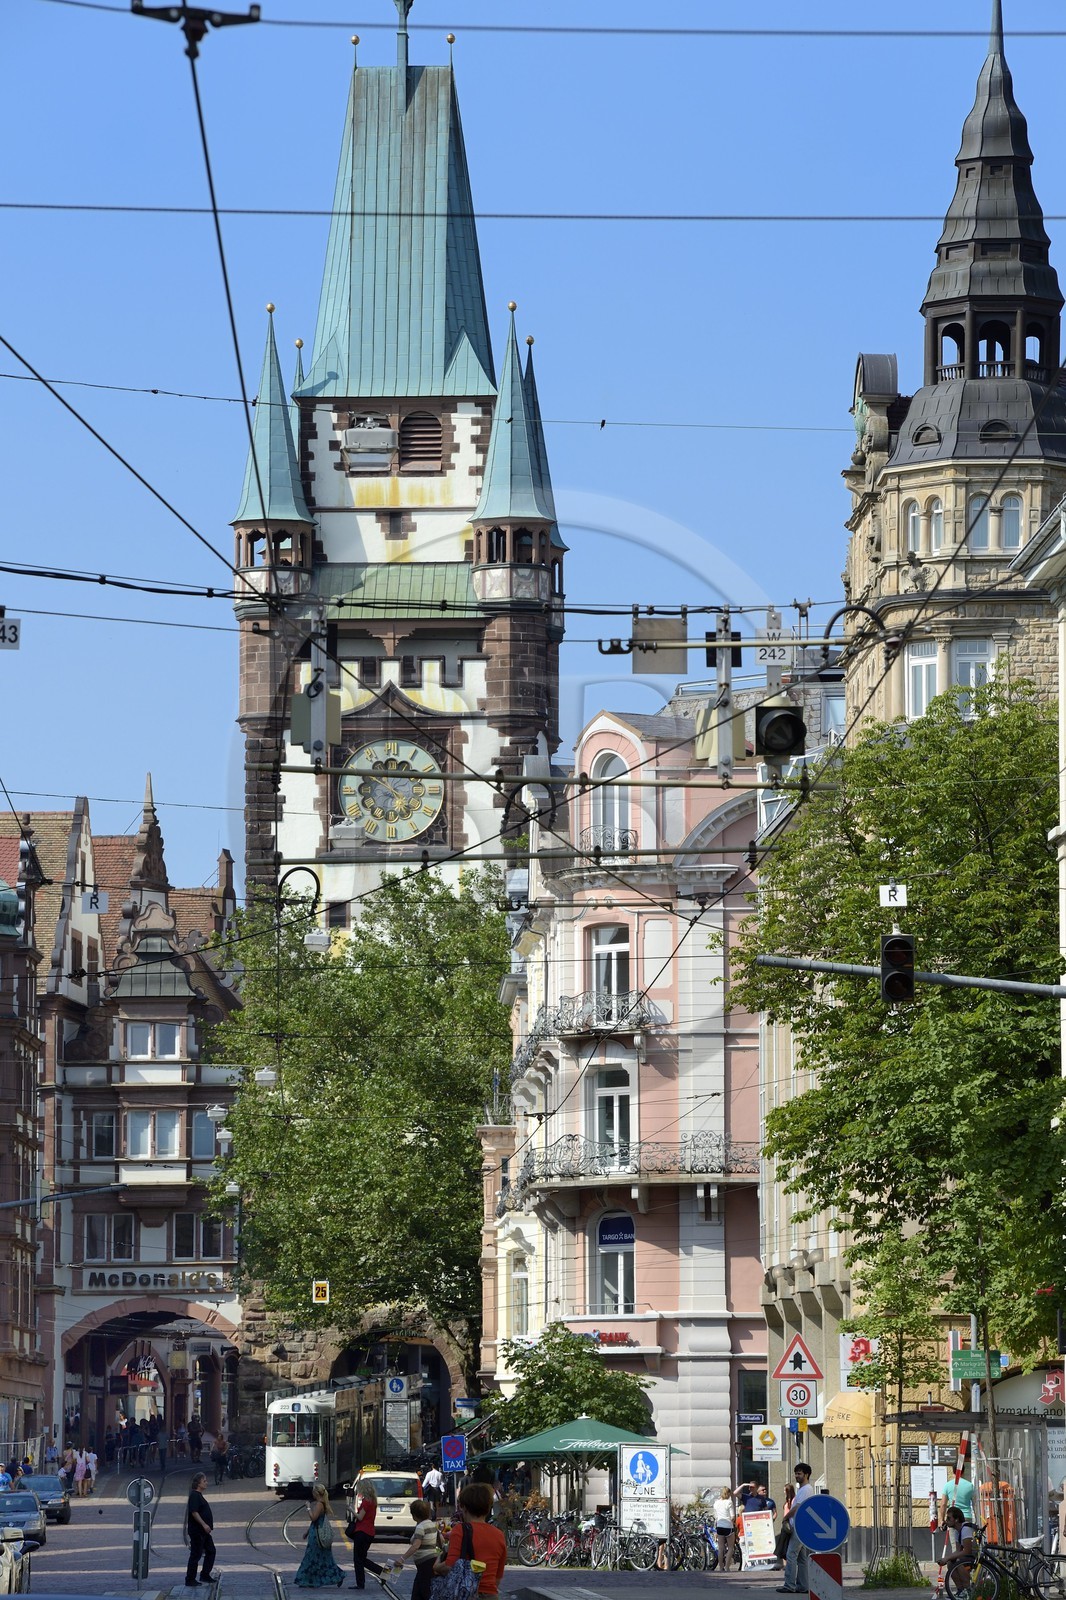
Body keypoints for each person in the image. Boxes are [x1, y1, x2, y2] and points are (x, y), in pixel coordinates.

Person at [433, 1482, 507, 1598]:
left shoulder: (460, 1530)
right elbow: (497, 1577)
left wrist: (436, 1566)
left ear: (464, 1507)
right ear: (488, 1507)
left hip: (466, 1594)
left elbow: (450, 1566)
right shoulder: (499, 1535)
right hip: (490, 1594)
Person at [294, 1483, 346, 1588]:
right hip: (317, 1532)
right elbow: (316, 1521)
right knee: (324, 1559)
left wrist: (308, 1508)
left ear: (316, 1493)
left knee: (312, 1557)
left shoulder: (319, 1504)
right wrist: (307, 1532)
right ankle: (335, 1576)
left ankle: (307, 1579)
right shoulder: (322, 1503)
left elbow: (313, 1518)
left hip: (317, 1536)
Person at [779, 1462, 815, 1594]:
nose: (797, 1476)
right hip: (800, 1526)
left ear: (806, 1475)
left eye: (799, 1473)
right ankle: (803, 1586)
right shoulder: (803, 1489)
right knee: (801, 1558)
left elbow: (797, 1507)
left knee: (791, 1555)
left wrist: (786, 1517)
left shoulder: (806, 1490)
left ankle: (789, 1585)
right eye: (796, 1473)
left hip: (800, 1527)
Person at [393, 1499, 439, 1600]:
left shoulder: (420, 1527)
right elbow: (441, 1540)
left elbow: (416, 1545)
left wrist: (402, 1558)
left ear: (414, 1515)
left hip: (425, 1563)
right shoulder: (432, 1524)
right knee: (420, 1590)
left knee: (423, 1592)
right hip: (431, 1561)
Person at [349, 1483, 387, 1590]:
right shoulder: (373, 1501)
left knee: (358, 1559)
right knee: (362, 1558)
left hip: (361, 1532)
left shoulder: (366, 1502)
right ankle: (383, 1573)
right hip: (370, 1532)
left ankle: (360, 1583)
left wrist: (352, 1510)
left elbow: (360, 1517)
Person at [185, 1472, 219, 1587]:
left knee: (211, 1551)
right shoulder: (194, 1495)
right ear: (198, 1483)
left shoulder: (198, 1495)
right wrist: (204, 1524)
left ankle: (205, 1574)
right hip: (197, 1531)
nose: (206, 1483)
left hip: (203, 1532)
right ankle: (190, 1579)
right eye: (204, 1481)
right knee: (196, 1554)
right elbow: (194, 1512)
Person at [944, 1507, 978, 1588]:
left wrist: (947, 1557)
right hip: (968, 1556)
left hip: (975, 1556)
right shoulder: (957, 1531)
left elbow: (967, 1551)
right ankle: (960, 1590)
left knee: (958, 1563)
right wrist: (947, 1559)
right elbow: (958, 1551)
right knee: (950, 1563)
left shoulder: (965, 1529)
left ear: (956, 1519)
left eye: (949, 1518)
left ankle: (967, 1588)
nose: (946, 1520)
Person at [713, 1484, 737, 1571]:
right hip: (728, 1526)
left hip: (719, 1526)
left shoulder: (716, 1503)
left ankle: (720, 1567)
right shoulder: (729, 1502)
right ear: (728, 1494)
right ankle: (727, 1566)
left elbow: (715, 1516)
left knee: (720, 1548)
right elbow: (733, 1516)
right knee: (730, 1547)